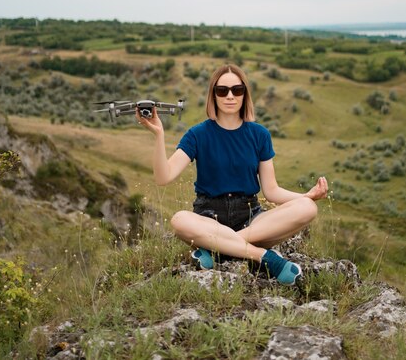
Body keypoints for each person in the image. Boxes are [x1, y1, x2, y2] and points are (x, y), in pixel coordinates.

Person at [137, 63, 328, 285]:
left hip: (251, 219)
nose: (230, 96)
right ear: (214, 95)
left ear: (245, 94)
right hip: (209, 217)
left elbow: (272, 191)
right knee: (180, 220)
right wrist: (159, 135)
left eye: (237, 90)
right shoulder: (197, 134)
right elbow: (164, 178)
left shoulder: (259, 135)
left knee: (307, 208)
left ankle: (218, 249)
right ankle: (263, 257)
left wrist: (307, 195)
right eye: (222, 90)